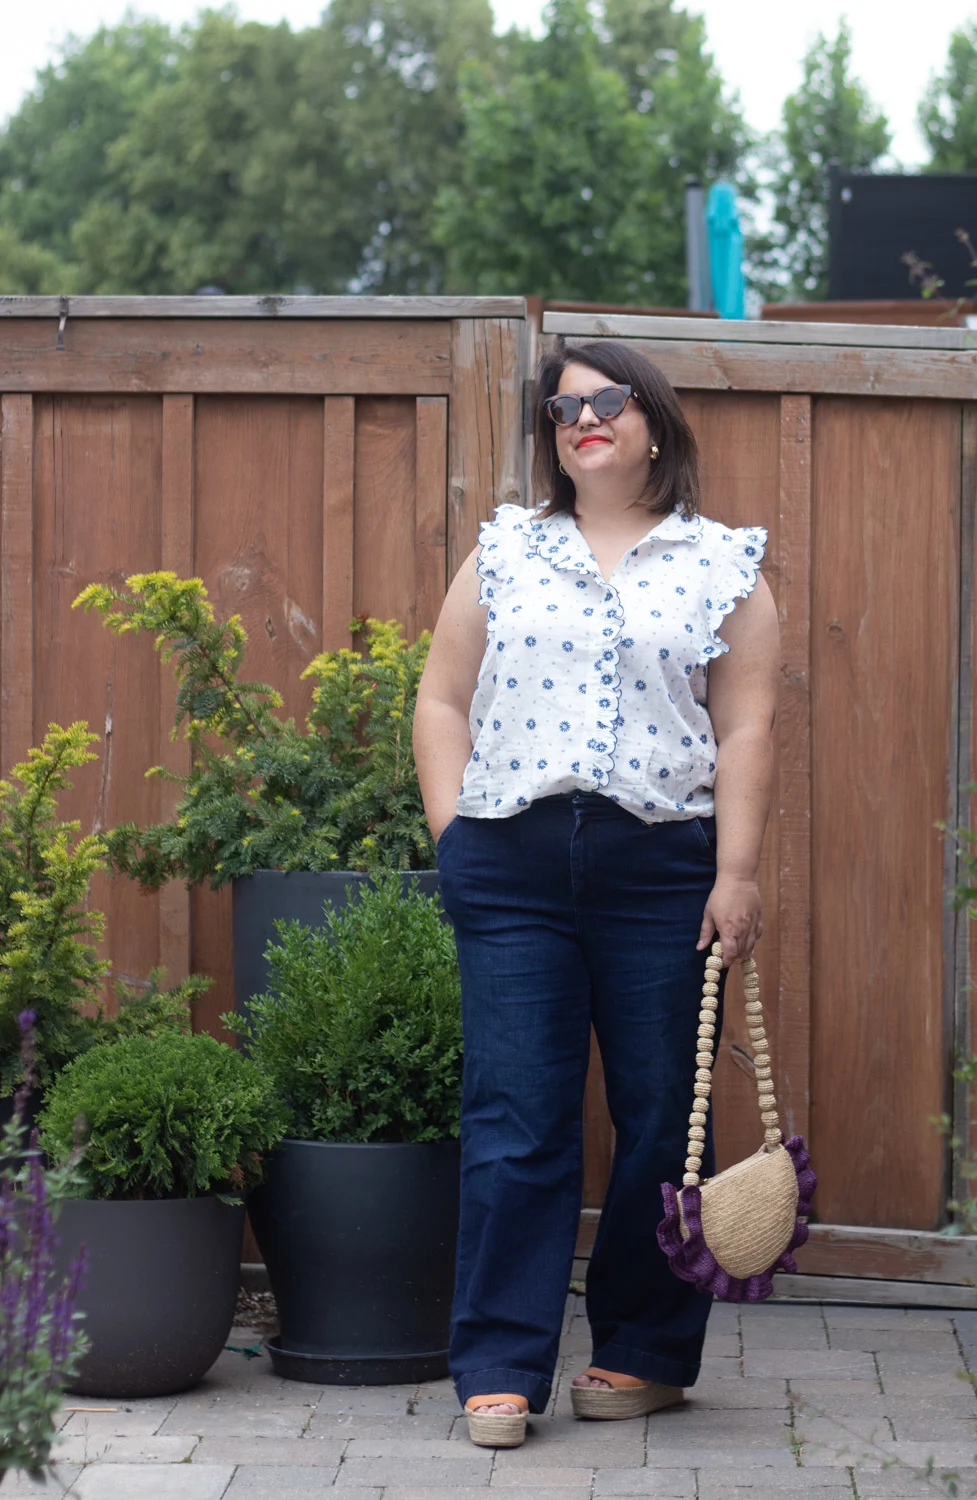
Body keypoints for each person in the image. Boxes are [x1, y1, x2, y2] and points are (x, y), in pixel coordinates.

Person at [412, 337, 778, 1449]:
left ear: (653, 421)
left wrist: (737, 873)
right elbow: (440, 700)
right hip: (513, 862)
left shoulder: (722, 565)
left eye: (606, 400)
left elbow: (747, 727)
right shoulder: (503, 556)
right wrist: (454, 842)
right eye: (562, 407)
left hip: (661, 867)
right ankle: (500, 1365)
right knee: (516, 1120)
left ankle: (645, 1353)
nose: (584, 419)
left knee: (666, 1118)